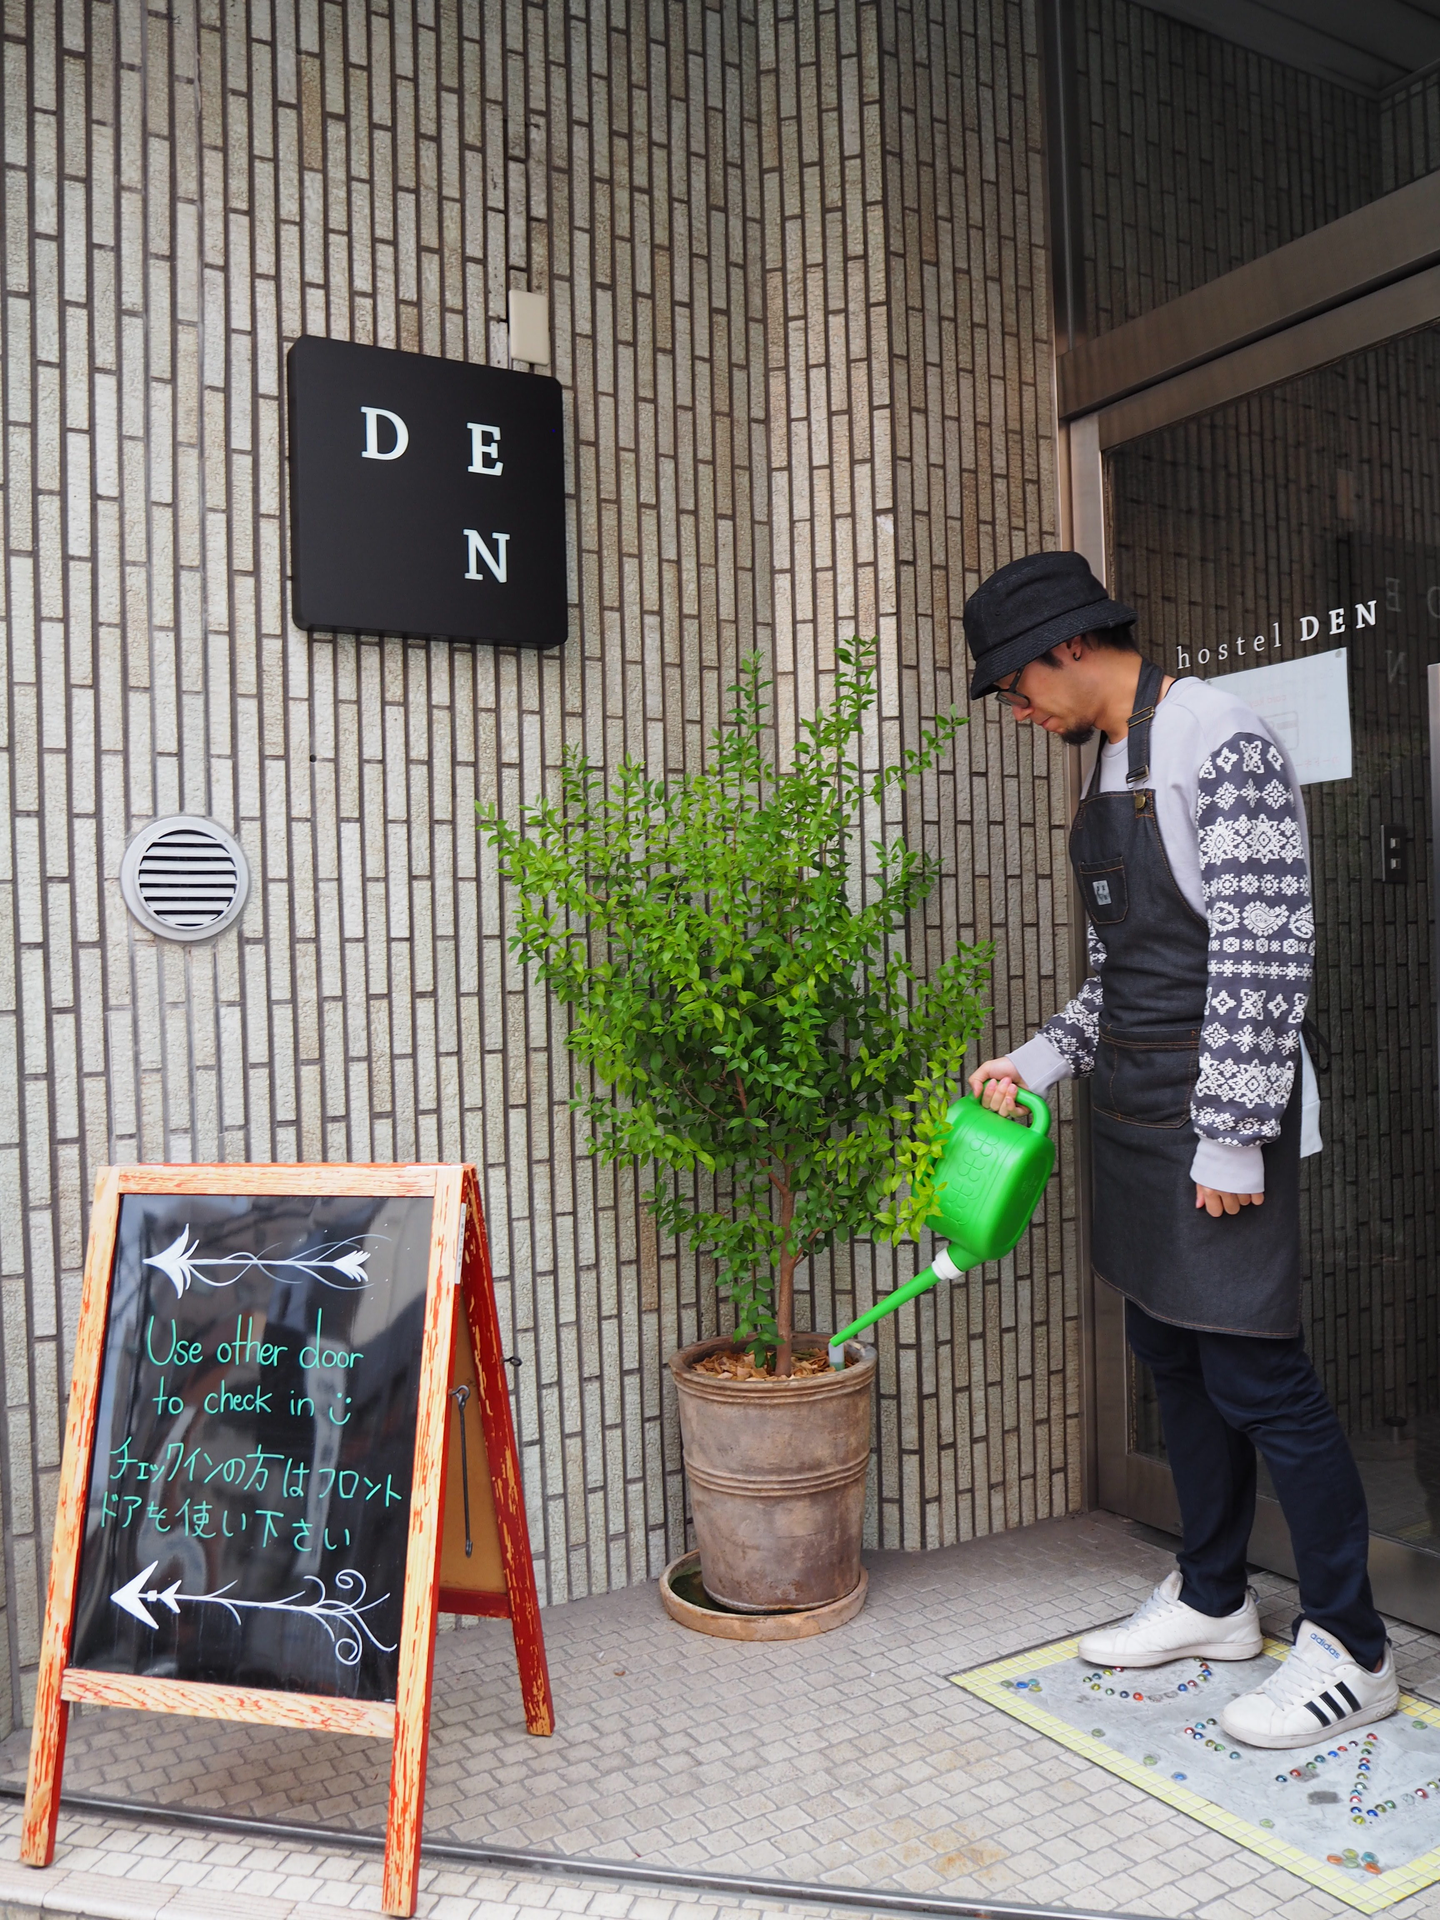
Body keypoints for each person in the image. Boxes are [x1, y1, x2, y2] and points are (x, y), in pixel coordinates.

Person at [963, 550, 1396, 1751]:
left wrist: (1233, 1141)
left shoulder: (1222, 737)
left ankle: (1354, 1645)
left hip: (1212, 1124)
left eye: (1013, 684)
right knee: (1168, 1351)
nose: (1015, 708)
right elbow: (1123, 980)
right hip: (1134, 1119)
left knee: (1260, 1377)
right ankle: (1214, 1598)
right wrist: (1037, 1061)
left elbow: (1267, 952)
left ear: (1068, 647)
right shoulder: (1108, 762)